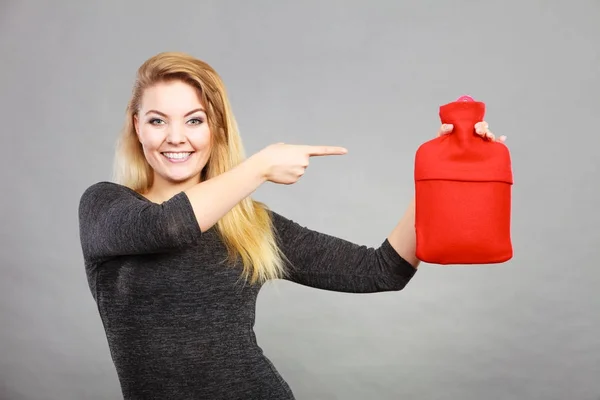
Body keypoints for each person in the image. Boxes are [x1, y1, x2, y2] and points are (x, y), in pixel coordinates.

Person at [77, 51, 505, 400]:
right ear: (137, 126)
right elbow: (168, 227)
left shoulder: (250, 224)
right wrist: (260, 166)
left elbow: (382, 270)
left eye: (194, 119)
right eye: (157, 120)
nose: (176, 137)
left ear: (215, 129)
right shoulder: (105, 207)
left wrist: (443, 176)